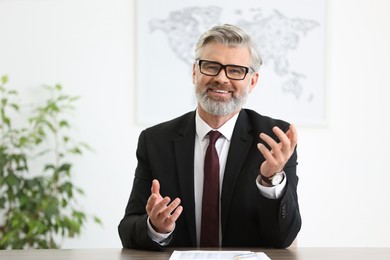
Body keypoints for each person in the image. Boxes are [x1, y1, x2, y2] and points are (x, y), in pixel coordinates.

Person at [118, 24, 301, 250]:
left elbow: (282, 239)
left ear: (252, 81)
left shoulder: (275, 140)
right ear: (195, 72)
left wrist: (271, 180)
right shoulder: (156, 141)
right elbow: (128, 229)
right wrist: (156, 228)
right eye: (211, 66)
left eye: (235, 70)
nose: (222, 78)